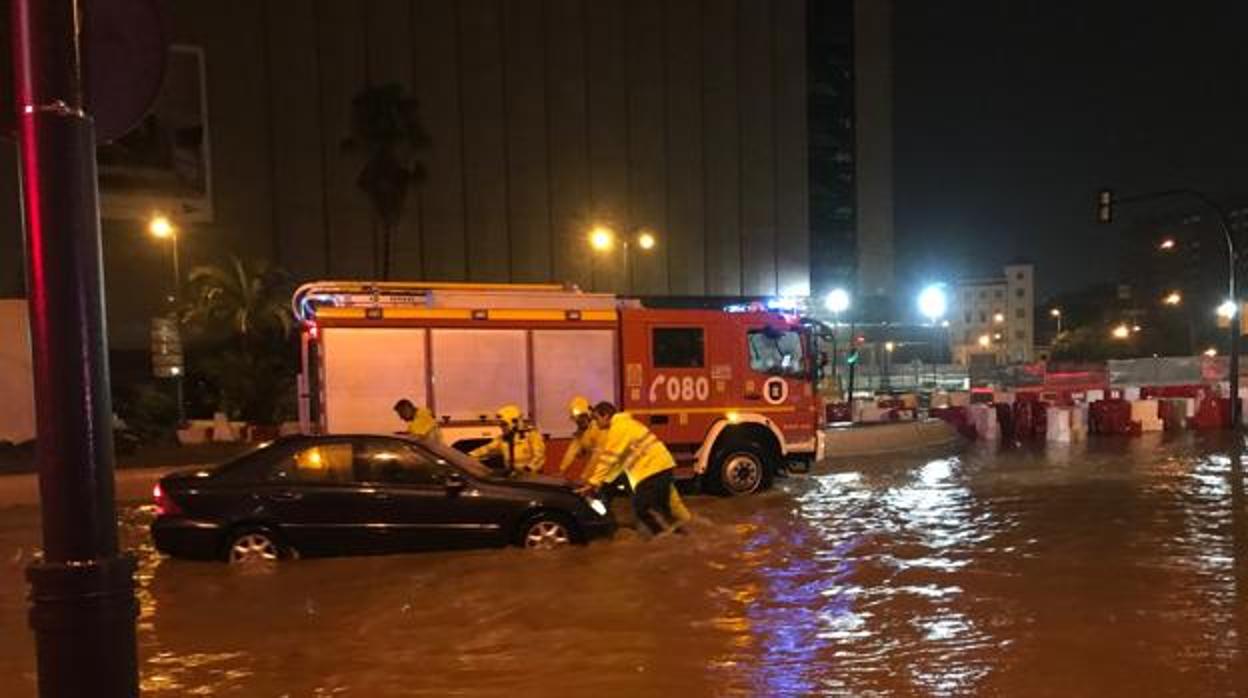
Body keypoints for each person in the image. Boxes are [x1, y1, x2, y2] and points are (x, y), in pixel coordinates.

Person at [577, 402, 690, 536]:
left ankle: (662, 537)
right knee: (663, 507)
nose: (595, 423)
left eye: (596, 418)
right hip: (661, 466)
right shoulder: (627, 424)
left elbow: (608, 459)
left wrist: (593, 483)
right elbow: (618, 463)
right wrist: (601, 482)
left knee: (641, 507)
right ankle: (681, 534)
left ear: (606, 416)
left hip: (652, 470)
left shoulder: (618, 429)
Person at [469, 404, 546, 474]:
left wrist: (527, 469)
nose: (501, 427)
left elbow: (539, 457)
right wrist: (469, 456)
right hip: (513, 476)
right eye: (501, 425)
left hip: (530, 478)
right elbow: (488, 449)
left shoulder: (531, 435)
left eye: (504, 424)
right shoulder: (503, 438)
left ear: (513, 422)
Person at [558, 396, 603, 480]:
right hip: (595, 473)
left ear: (587, 415)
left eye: (581, 419)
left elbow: (597, 456)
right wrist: (562, 470)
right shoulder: (582, 431)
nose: (579, 423)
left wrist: (584, 476)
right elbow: (572, 451)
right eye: (577, 421)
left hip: (604, 471)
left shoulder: (598, 428)